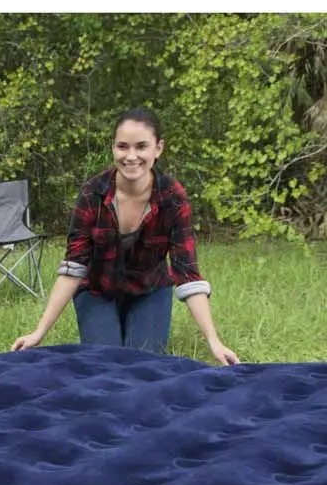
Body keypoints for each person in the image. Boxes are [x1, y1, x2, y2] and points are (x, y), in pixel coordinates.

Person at [12, 107, 239, 365]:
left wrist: (214, 341)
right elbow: (73, 267)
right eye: (122, 147)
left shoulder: (173, 197)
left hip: (149, 289)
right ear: (113, 148)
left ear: (158, 148)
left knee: (143, 364)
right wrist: (38, 332)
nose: (131, 156)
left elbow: (187, 273)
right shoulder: (92, 193)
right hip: (97, 289)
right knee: (105, 363)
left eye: (141, 146)